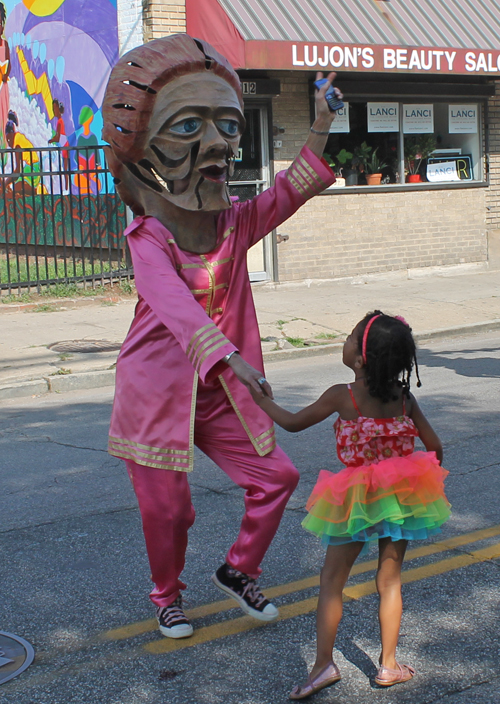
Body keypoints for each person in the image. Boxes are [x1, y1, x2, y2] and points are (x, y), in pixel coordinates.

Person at [101, 34, 340, 639]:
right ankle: (166, 596)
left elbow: (291, 190)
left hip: (219, 394)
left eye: (227, 127)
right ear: (142, 148)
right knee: (169, 509)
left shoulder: (236, 223)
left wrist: (320, 125)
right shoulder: (148, 239)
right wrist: (231, 359)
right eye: (188, 128)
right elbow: (176, 306)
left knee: (278, 477)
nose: (217, 146)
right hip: (158, 395)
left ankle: (238, 571)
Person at [250, 311, 451, 697]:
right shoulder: (404, 398)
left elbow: (292, 423)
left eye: (348, 338)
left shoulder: (342, 396)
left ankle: (323, 665)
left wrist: (260, 401)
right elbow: (434, 447)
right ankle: (389, 665)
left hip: (353, 497)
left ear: (360, 359)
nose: (344, 342)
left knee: (331, 581)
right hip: (402, 498)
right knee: (389, 580)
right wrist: (425, 481)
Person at [48, 99, 70, 191]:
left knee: (65, 169)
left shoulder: (60, 121)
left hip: (64, 145)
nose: (54, 111)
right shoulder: (59, 121)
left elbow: (58, 137)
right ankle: (65, 188)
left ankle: (66, 188)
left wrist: (51, 140)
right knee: (64, 169)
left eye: (54, 108)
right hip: (63, 145)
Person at [0, 2, 10, 149]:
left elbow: (9, 65)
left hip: (3, 88)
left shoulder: (4, 44)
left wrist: (5, 74)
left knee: (3, 119)